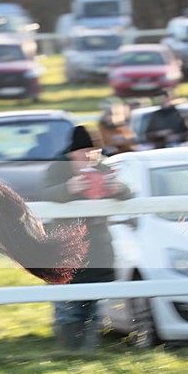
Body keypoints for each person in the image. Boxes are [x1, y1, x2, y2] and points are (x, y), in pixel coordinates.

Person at [40, 125, 131, 352]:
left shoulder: (104, 169)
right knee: (68, 309)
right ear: (72, 153)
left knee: (94, 310)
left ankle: (87, 353)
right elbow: (44, 195)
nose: (89, 157)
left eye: (94, 151)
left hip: (98, 251)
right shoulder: (57, 169)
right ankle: (70, 351)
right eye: (84, 152)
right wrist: (68, 188)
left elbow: (128, 193)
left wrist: (118, 189)